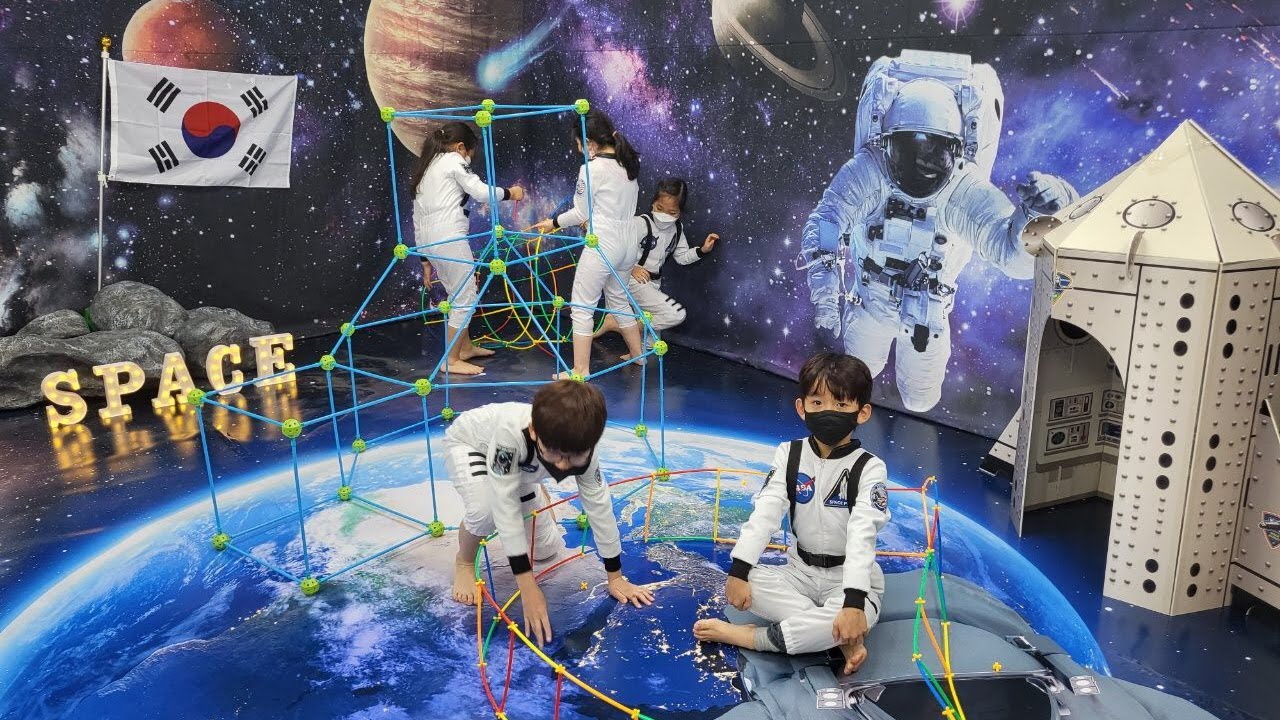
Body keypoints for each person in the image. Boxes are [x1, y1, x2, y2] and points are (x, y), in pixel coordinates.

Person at [795, 50, 1076, 411]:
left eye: (934, 152)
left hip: (925, 315)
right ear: (889, 145)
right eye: (910, 149)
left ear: (955, 151)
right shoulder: (870, 170)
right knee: (858, 376)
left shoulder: (962, 189)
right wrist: (824, 292)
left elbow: (1014, 258)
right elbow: (826, 222)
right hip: (869, 303)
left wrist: (1039, 213)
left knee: (920, 400)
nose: (922, 163)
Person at [693, 353, 890, 676]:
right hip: (798, 573)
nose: (828, 412)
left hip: (848, 581)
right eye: (817, 402)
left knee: (855, 613)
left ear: (862, 412)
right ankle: (839, 635)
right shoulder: (790, 454)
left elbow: (862, 534)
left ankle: (754, 637)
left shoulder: (870, 468)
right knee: (749, 583)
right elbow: (766, 512)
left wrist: (854, 602)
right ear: (802, 407)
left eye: (841, 405)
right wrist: (739, 571)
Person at [443, 380, 654, 645]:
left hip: (523, 465)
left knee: (546, 550)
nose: (563, 466)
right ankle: (464, 561)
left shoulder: (584, 445)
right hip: (474, 445)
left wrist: (615, 576)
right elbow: (504, 507)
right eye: (556, 454)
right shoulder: (510, 436)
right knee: (486, 511)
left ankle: (532, 486)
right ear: (533, 431)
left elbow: (599, 507)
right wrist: (527, 586)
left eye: (573, 457)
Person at [531, 111, 644, 378]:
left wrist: (554, 222)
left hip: (604, 243)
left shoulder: (591, 169)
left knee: (582, 306)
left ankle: (580, 370)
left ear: (590, 143)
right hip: (628, 243)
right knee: (619, 300)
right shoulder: (626, 164)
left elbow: (580, 213)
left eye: (579, 144)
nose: (579, 150)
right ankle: (638, 355)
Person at [411, 121, 525, 376]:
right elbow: (481, 192)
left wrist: (424, 261)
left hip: (431, 241)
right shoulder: (453, 160)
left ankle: (464, 348)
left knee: (457, 294)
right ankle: (451, 360)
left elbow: (417, 218)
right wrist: (511, 193)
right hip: (449, 237)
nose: (469, 159)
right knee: (465, 297)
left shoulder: (427, 168)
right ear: (461, 147)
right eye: (470, 154)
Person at [594, 178, 719, 356]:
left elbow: (682, 257)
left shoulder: (677, 229)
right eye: (660, 208)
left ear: (680, 212)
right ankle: (622, 325)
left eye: (672, 212)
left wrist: (702, 250)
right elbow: (614, 248)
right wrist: (632, 268)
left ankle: (621, 328)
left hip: (653, 283)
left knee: (651, 345)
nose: (664, 215)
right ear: (653, 203)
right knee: (675, 314)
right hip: (633, 280)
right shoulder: (639, 223)